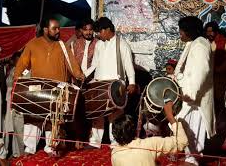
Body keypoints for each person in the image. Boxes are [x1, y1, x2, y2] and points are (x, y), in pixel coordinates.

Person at [14, 15, 85, 154]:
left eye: (58, 28)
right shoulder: (33, 44)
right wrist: (18, 80)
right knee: (33, 118)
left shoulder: (62, 45)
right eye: (55, 28)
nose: (58, 31)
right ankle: (29, 149)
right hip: (38, 91)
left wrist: (79, 74)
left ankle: (51, 147)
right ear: (46, 30)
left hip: (56, 91)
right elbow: (22, 64)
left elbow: (71, 63)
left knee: (53, 120)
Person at [84, 17, 136, 148]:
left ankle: (116, 142)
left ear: (107, 30)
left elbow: (129, 65)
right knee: (98, 114)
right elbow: (95, 64)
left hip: (116, 85)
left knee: (115, 116)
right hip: (99, 83)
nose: (97, 35)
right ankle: (95, 142)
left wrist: (132, 82)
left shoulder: (122, 44)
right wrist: (83, 76)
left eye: (99, 32)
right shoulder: (99, 44)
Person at [174, 16, 215, 165]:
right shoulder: (193, 43)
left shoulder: (201, 45)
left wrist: (191, 93)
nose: (180, 34)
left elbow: (202, 70)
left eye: (181, 31)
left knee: (193, 131)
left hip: (196, 98)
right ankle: (189, 156)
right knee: (184, 127)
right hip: (189, 96)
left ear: (189, 31)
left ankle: (193, 159)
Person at [111, 102, 188, 166]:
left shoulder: (114, 154)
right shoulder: (150, 144)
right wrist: (170, 116)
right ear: (135, 130)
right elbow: (182, 142)